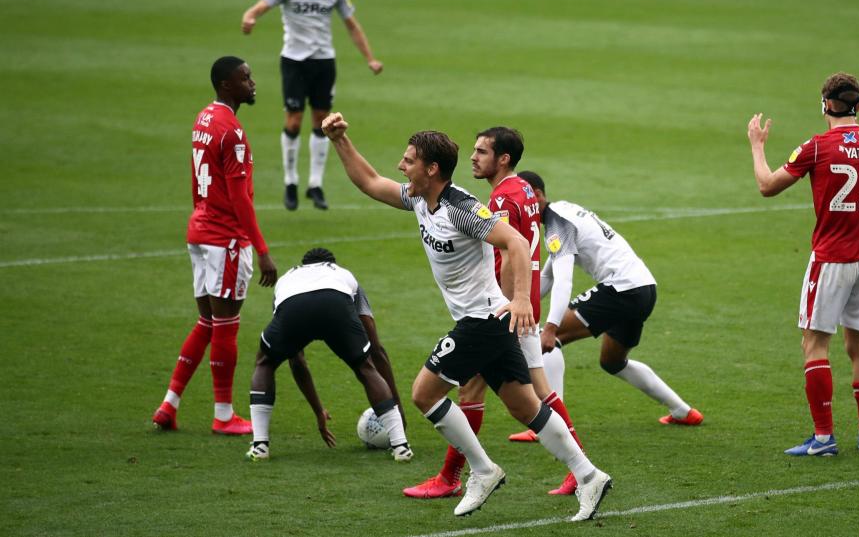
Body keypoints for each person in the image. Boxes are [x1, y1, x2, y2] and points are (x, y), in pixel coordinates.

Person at [321, 112, 612, 522]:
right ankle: (589, 475)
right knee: (525, 406)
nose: (400, 167)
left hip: (483, 320)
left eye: (408, 161)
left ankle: (483, 470)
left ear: (431, 168)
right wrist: (339, 140)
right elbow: (370, 183)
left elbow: (512, 241)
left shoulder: (461, 208)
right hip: (485, 320)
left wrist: (521, 301)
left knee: (424, 392)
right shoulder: (419, 197)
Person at [403, 127, 586, 500]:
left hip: (505, 309)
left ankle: (574, 470)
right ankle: (579, 471)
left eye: (482, 152)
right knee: (515, 392)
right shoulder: (525, 190)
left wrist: (504, 309)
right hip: (518, 304)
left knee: (527, 393)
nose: (474, 157)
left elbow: (508, 254)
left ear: (503, 158)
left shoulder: (501, 199)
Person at [745, 72, 859, 456]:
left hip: (831, 258)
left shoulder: (817, 146)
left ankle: (824, 438)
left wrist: (758, 147)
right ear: (858, 105)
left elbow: (767, 185)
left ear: (826, 105)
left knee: (814, 344)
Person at [518, 171, 704, 428]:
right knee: (612, 362)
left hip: (622, 288)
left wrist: (550, 327)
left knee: (552, 338)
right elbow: (548, 275)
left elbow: (563, 281)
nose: (517, 208)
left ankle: (553, 427)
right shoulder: (563, 211)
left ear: (537, 196)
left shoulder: (557, 225)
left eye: (520, 201)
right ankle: (683, 411)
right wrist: (519, 306)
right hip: (644, 288)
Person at [152, 56, 278, 435]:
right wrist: (261, 248)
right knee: (225, 325)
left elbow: (197, 179)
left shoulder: (204, 118)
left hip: (201, 229)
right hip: (225, 237)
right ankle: (223, 415)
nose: (252, 83)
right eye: (245, 78)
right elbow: (241, 198)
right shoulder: (232, 131)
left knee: (206, 321)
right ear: (227, 85)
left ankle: (168, 405)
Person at [241, 0, 383, 212]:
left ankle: (315, 185)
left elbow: (352, 26)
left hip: (323, 62)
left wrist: (370, 58)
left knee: (322, 122)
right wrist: (250, 17)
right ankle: (291, 182)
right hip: (294, 61)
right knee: (293, 122)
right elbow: (259, 7)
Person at [245, 247, 411, 462]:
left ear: (304, 264)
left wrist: (318, 412)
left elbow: (297, 361)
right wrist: (398, 410)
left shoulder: (287, 280)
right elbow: (376, 348)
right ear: (331, 263)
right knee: (364, 368)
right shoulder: (342, 274)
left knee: (265, 362)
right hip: (335, 303)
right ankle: (401, 446)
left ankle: (260, 446)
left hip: (293, 305)